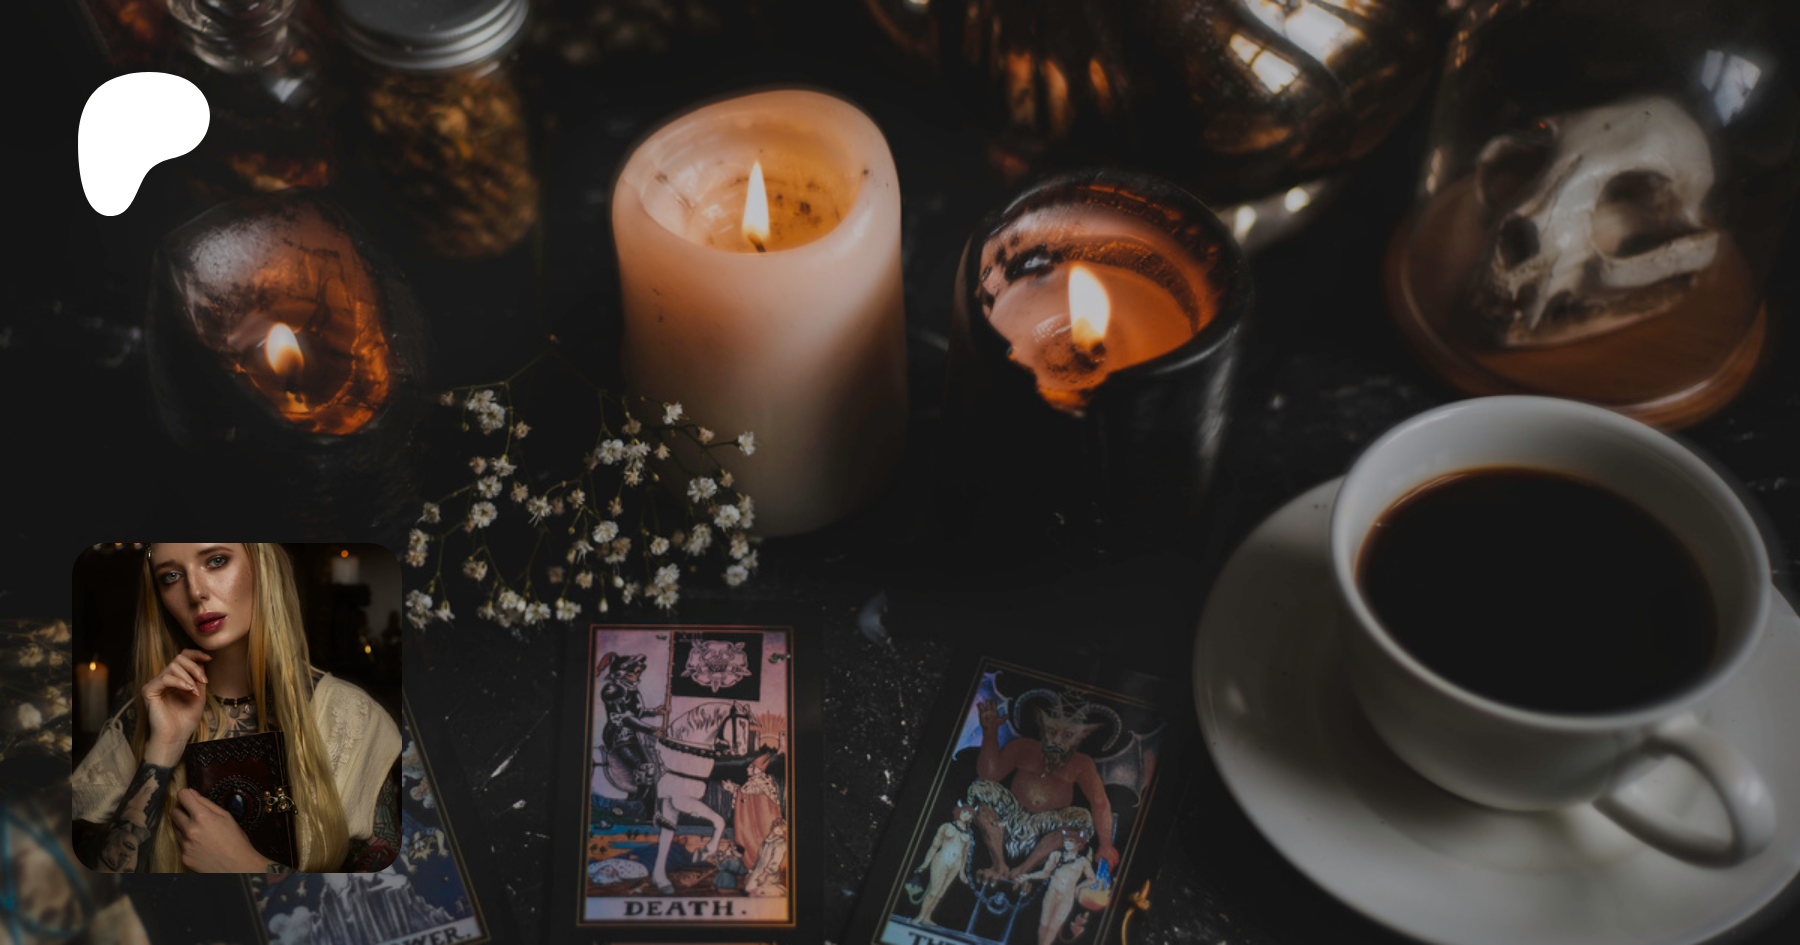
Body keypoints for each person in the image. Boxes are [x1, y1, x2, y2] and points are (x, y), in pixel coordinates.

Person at [71, 543, 401, 872]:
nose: (195, 592)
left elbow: (391, 896)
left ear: (263, 566)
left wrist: (246, 865)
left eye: (216, 561)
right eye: (171, 576)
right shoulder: (140, 710)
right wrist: (163, 746)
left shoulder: (351, 716)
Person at [1015, 835, 1098, 945]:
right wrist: (1028, 876)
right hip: (1052, 892)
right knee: (1044, 924)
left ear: (1078, 844)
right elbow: (1045, 873)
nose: (1067, 843)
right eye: (1066, 840)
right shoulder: (1056, 855)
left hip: (1067, 897)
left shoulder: (1082, 862)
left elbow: (1092, 879)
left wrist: (1078, 887)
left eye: (1070, 841)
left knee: (1053, 927)